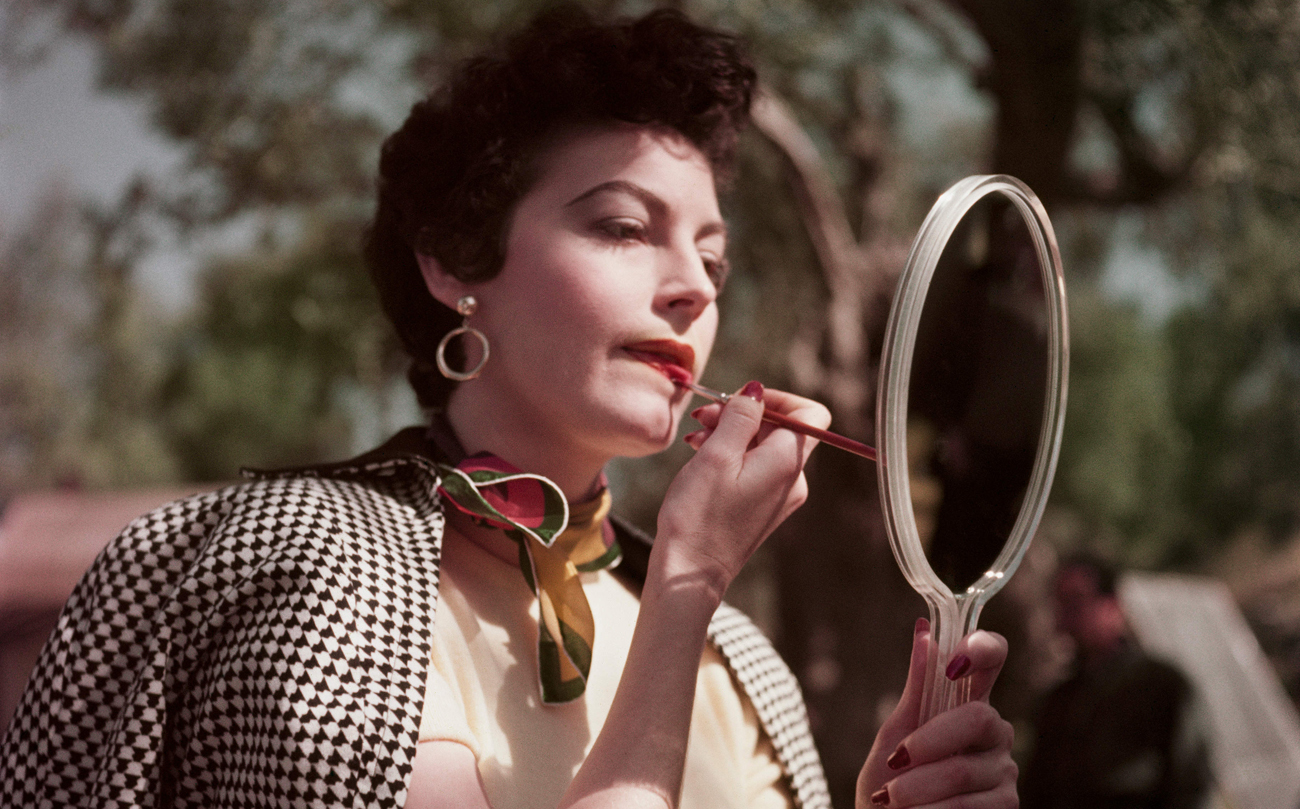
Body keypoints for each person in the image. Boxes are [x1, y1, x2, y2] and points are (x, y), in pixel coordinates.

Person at [0, 7, 1018, 808]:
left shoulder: (742, 664)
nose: (693, 288)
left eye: (713, 258)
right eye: (624, 227)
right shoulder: (304, 569)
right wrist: (690, 578)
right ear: (453, 261)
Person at [1022, 552, 1212, 809]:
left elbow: (1190, 783)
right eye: (1060, 606)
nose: (1065, 621)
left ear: (1112, 605)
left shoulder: (1161, 684)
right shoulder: (1058, 700)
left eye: (1075, 604)